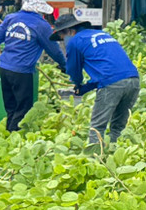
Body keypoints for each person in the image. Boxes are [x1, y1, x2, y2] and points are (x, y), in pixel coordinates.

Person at [53, 15, 140, 148]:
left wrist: (76, 84)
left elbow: (73, 70)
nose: (63, 41)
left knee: (97, 127)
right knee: (118, 127)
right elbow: (109, 72)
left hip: (112, 84)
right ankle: (116, 154)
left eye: (62, 37)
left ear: (69, 31)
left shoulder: (75, 41)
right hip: (133, 80)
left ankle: (94, 160)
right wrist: (85, 88)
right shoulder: (102, 34)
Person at [0, 0, 68, 131]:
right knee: (23, 109)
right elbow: (54, 50)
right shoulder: (42, 25)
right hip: (22, 71)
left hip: (4, 68)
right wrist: (65, 65)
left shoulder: (10, 18)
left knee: (11, 108)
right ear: (40, 8)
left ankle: (8, 137)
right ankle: (14, 139)